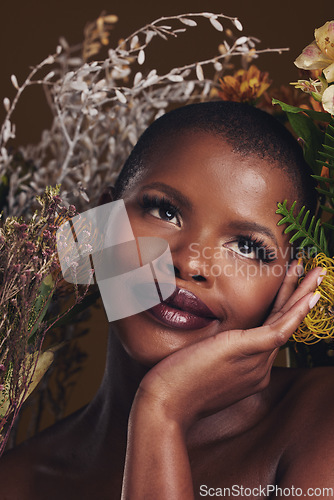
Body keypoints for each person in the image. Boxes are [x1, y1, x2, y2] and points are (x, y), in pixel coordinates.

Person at [0, 101, 333, 499]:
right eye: (165, 211)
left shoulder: (323, 420)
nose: (190, 261)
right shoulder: (15, 483)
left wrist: (161, 412)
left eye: (247, 246)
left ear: (291, 282)